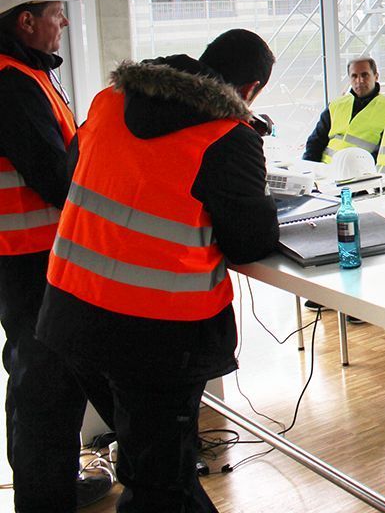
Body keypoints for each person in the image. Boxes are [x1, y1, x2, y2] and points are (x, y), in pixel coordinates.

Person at [37, 29, 280, 512]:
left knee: (154, 472)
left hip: (71, 314)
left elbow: (77, 175)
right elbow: (250, 243)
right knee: (158, 487)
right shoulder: (228, 136)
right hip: (156, 340)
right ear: (250, 90)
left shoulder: (110, 99)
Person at [0, 0, 112, 510]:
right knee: (45, 385)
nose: (61, 23)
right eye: (54, 13)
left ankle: (50, 485)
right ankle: (45, 499)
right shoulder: (11, 85)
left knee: (39, 377)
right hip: (29, 259)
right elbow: (56, 177)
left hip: (28, 256)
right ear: (24, 21)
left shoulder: (28, 74)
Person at [303, 56, 385, 162]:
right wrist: (310, 168)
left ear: (376, 76)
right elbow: (315, 143)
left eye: (365, 75)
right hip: (326, 171)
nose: (359, 80)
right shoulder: (336, 105)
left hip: (362, 172)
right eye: (354, 76)